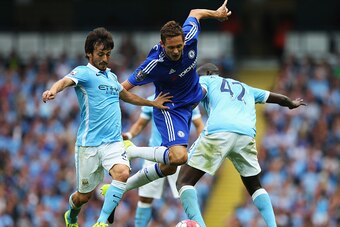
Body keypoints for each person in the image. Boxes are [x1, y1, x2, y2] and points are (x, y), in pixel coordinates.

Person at [41, 27, 171, 227]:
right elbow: (65, 81)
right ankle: (71, 216)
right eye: (100, 54)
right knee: (83, 197)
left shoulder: (111, 77)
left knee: (122, 173)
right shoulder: (83, 73)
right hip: (89, 145)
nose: (105, 58)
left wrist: (152, 103)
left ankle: (101, 222)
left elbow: (127, 96)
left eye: (108, 54)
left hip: (113, 142)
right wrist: (53, 90)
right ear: (89, 53)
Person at [175, 63, 307, 227]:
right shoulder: (246, 87)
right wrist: (291, 103)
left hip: (220, 131)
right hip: (246, 134)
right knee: (255, 186)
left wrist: (185, 105)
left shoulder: (206, 80)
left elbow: (197, 94)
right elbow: (278, 98)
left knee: (183, 182)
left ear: (208, 73)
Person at [121, 0, 232, 194]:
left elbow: (195, 12)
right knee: (179, 158)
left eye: (179, 46)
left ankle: (124, 186)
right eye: (171, 47)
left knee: (225, 87)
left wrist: (217, 14)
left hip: (194, 93)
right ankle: (133, 152)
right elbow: (121, 90)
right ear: (162, 44)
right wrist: (151, 103)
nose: (176, 51)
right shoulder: (153, 63)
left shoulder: (189, 36)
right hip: (174, 109)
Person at [123, 99, 203, 227]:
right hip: (154, 153)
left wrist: (200, 147)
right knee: (145, 198)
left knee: (185, 193)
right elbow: (140, 124)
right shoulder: (151, 100)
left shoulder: (188, 98)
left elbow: (199, 125)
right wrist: (129, 134)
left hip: (178, 154)